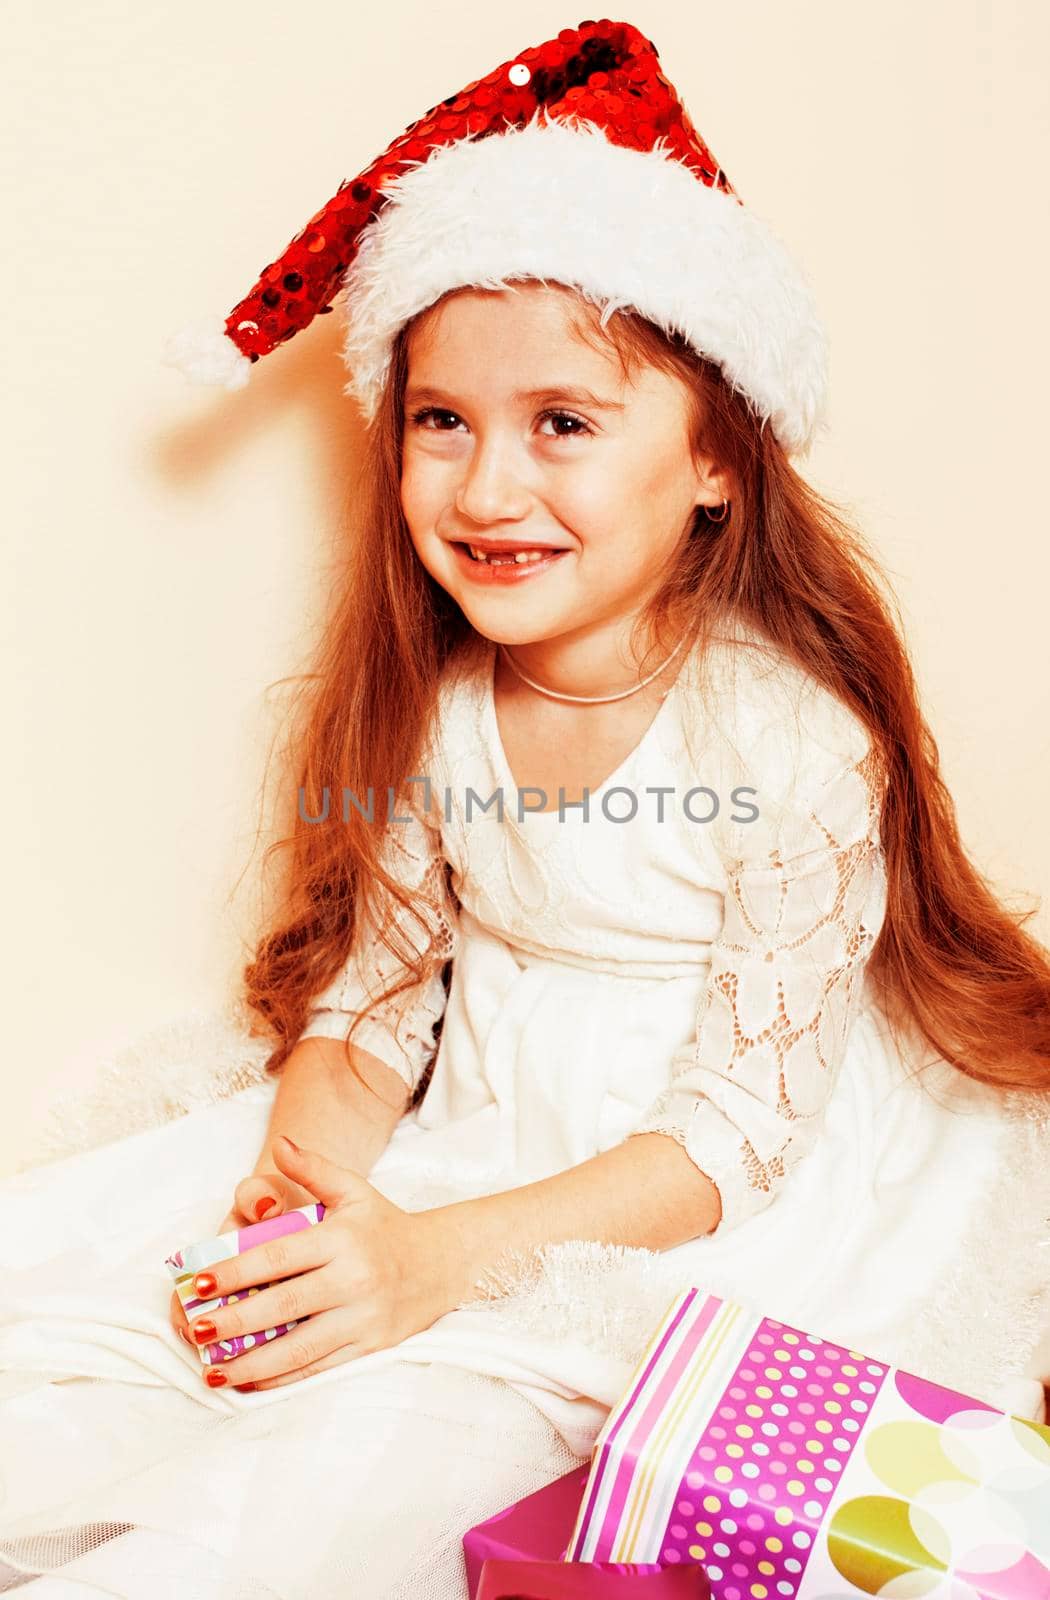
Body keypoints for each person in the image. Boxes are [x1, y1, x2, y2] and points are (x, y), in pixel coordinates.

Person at [3, 19, 1049, 1600]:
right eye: (442, 421)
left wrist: (430, 1259)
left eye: (563, 420)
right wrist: (319, 1161)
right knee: (120, 1339)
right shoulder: (441, 716)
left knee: (310, 1500)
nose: (487, 489)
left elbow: (732, 1139)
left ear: (713, 464)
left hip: (666, 1191)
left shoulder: (789, 741)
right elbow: (383, 986)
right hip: (465, 1131)